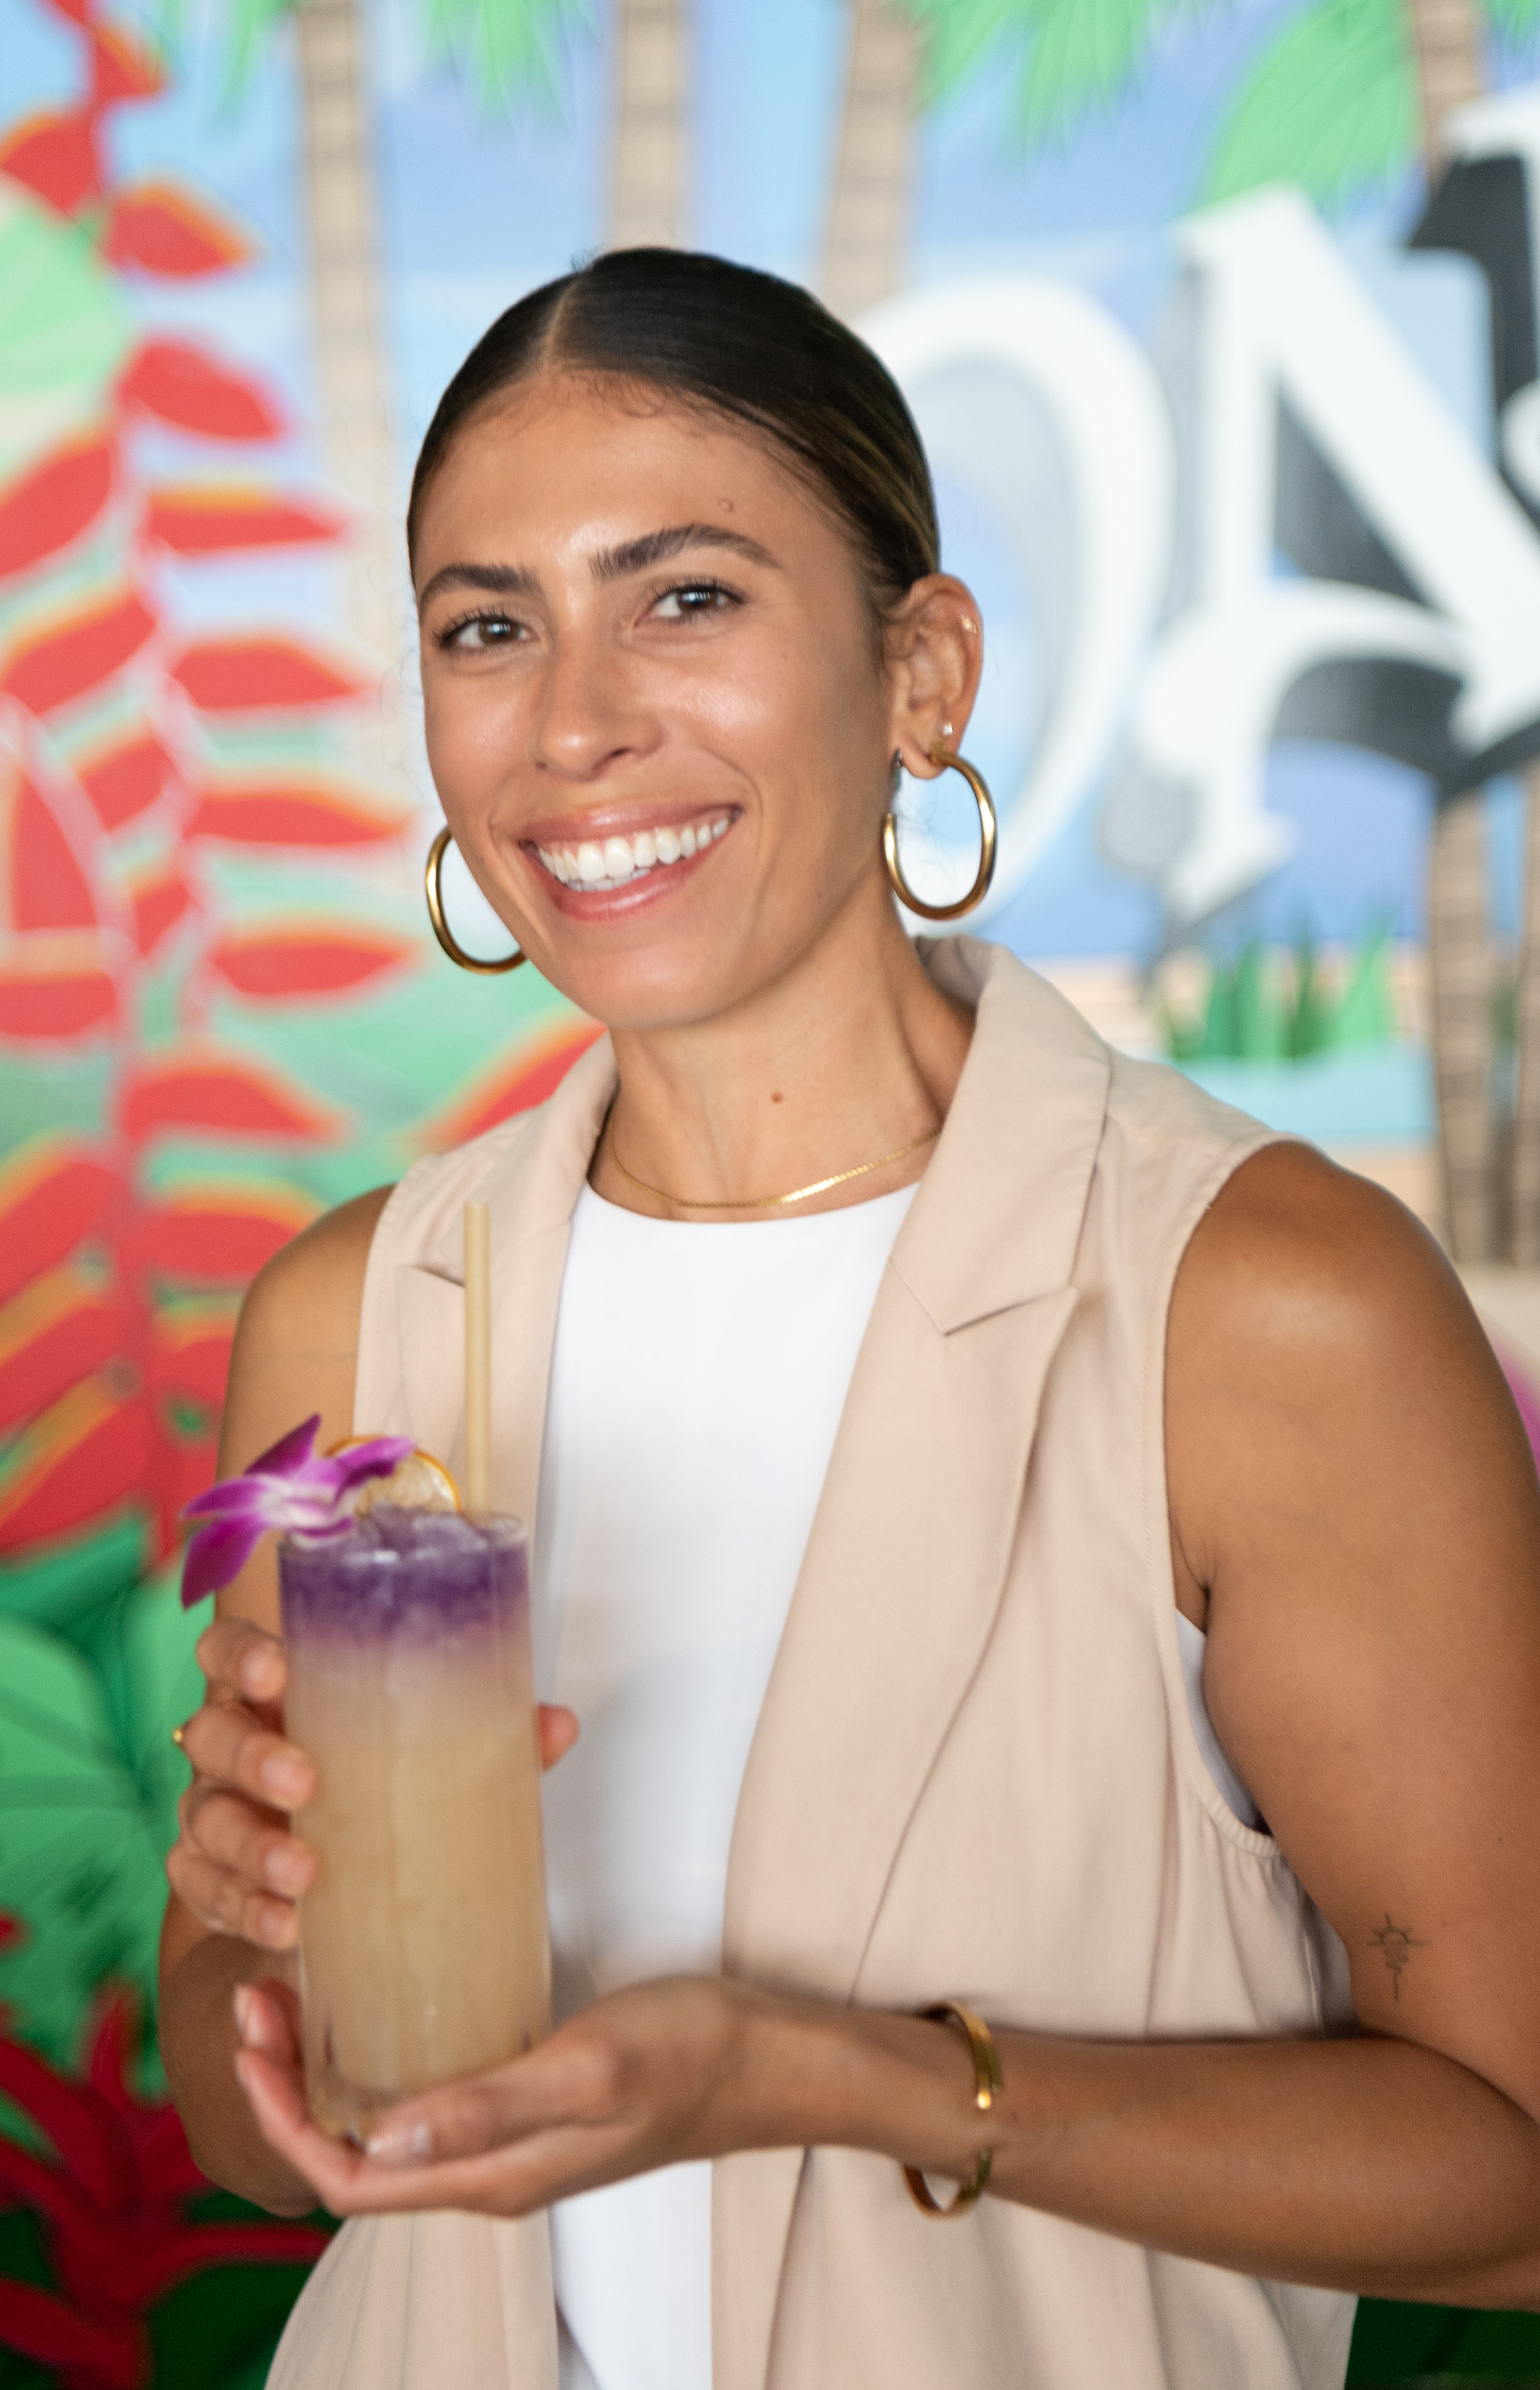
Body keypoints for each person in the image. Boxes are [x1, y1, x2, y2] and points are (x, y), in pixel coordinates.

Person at [157, 249, 1540, 2390]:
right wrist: (251, 1928)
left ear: (922, 673)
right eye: (488, 626)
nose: (577, 721)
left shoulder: (1257, 1307)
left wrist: (840, 2079)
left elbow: (1513, 2174)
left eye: (684, 596)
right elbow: (249, 2135)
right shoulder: (358, 1319)